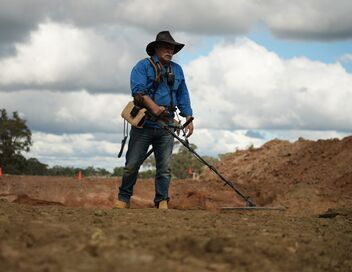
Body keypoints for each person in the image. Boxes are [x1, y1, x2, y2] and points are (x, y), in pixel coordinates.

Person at [115, 31, 194, 209]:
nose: (170, 50)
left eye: (172, 48)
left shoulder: (177, 70)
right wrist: (154, 108)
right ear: (156, 49)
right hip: (144, 124)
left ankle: (162, 201)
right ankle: (123, 199)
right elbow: (138, 91)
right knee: (132, 165)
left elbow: (183, 94)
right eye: (166, 47)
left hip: (167, 126)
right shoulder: (142, 67)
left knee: (164, 168)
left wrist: (188, 116)